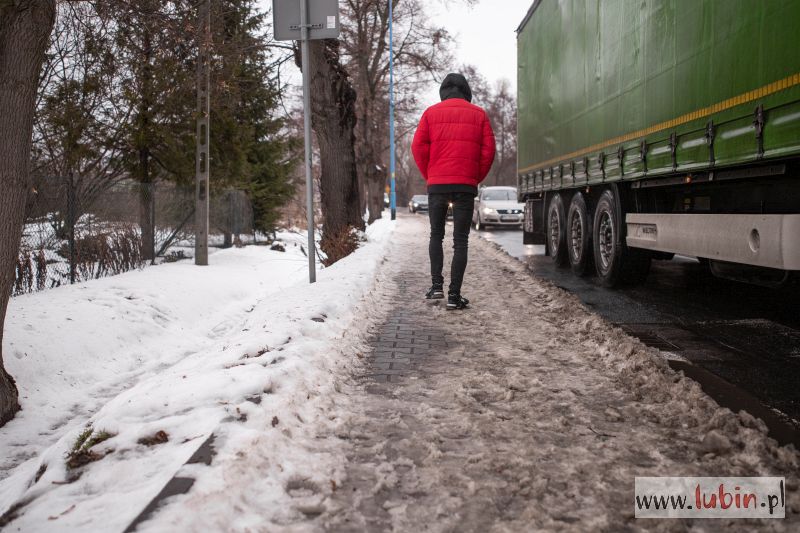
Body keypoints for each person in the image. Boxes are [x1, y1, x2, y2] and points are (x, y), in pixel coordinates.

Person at [411, 73, 496, 310]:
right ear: (466, 91)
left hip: (437, 184)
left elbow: (417, 147)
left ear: (443, 91)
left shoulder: (430, 113)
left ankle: (436, 285)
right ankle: (454, 295)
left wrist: (431, 175)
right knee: (461, 241)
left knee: (436, 235)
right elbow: (488, 151)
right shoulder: (479, 114)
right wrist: (473, 177)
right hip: (465, 186)